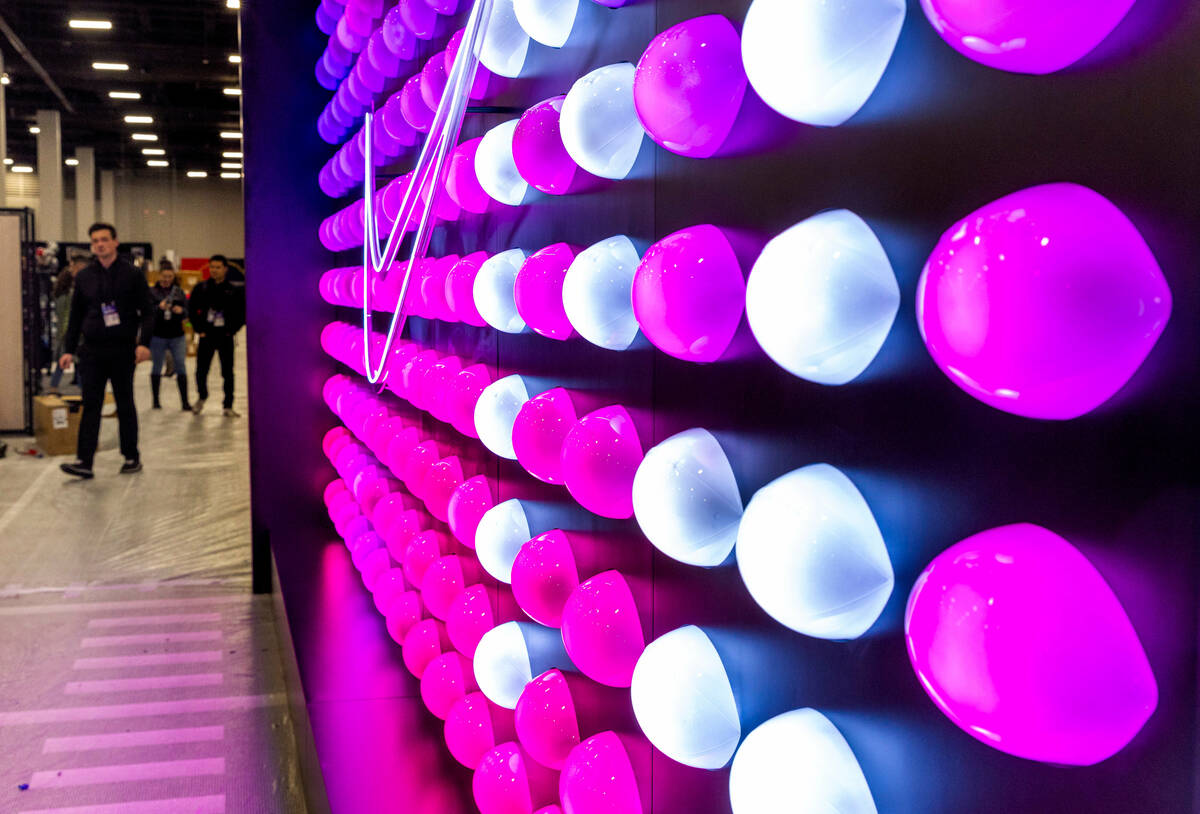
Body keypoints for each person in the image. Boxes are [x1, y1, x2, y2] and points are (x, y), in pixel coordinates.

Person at [59, 223, 153, 479]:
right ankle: (84, 462)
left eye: (104, 239)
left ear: (115, 242)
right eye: (95, 241)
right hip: (91, 351)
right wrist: (68, 350)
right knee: (91, 405)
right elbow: (76, 316)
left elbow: (148, 312)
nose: (99, 244)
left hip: (122, 350)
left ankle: (131, 456)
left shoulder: (132, 275)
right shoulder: (86, 276)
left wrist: (143, 343)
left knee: (125, 404)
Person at [189, 254, 246, 417]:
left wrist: (231, 330)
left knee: (227, 372)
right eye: (212, 267)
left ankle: (228, 405)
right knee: (201, 370)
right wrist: (199, 329)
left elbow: (241, 314)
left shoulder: (234, 290)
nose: (214, 270)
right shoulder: (201, 289)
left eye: (218, 267)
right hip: (206, 336)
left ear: (225, 269)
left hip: (225, 336)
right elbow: (192, 311)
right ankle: (202, 397)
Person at [148, 264, 192, 411]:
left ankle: (185, 402)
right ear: (159, 276)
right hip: (158, 336)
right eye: (164, 276)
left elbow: (188, 312)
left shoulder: (179, 292)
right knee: (157, 367)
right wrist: (158, 308)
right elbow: (145, 312)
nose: (166, 279)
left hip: (177, 336)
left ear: (174, 277)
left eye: (170, 277)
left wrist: (181, 311)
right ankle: (155, 401)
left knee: (181, 366)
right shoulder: (152, 292)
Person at [47, 257, 86, 394]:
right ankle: (81, 389)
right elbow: (69, 316)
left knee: (66, 361)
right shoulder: (70, 295)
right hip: (69, 332)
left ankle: (54, 386)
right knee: (75, 361)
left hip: (64, 332)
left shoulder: (59, 294)